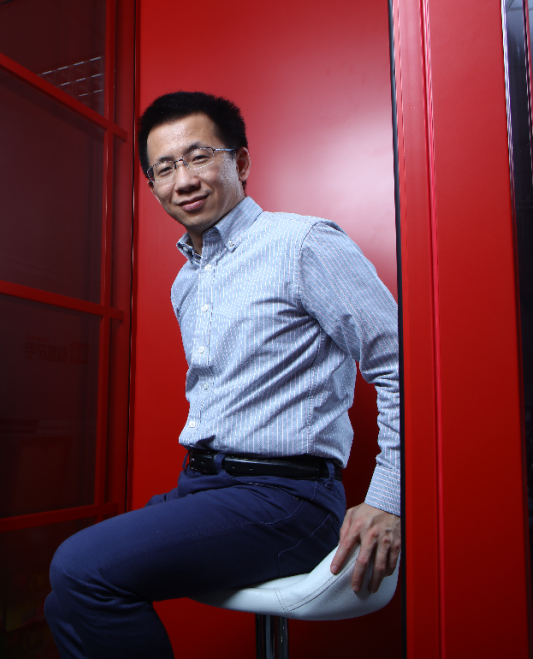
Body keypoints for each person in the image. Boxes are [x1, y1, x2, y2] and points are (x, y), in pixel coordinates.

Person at [44, 91, 401, 658]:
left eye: (198, 157)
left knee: (81, 568)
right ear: (153, 187)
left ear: (241, 162)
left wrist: (389, 497)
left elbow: (402, 364)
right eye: (164, 169)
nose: (183, 180)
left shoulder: (303, 244)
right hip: (207, 486)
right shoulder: (185, 283)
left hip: (288, 499)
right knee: (65, 597)